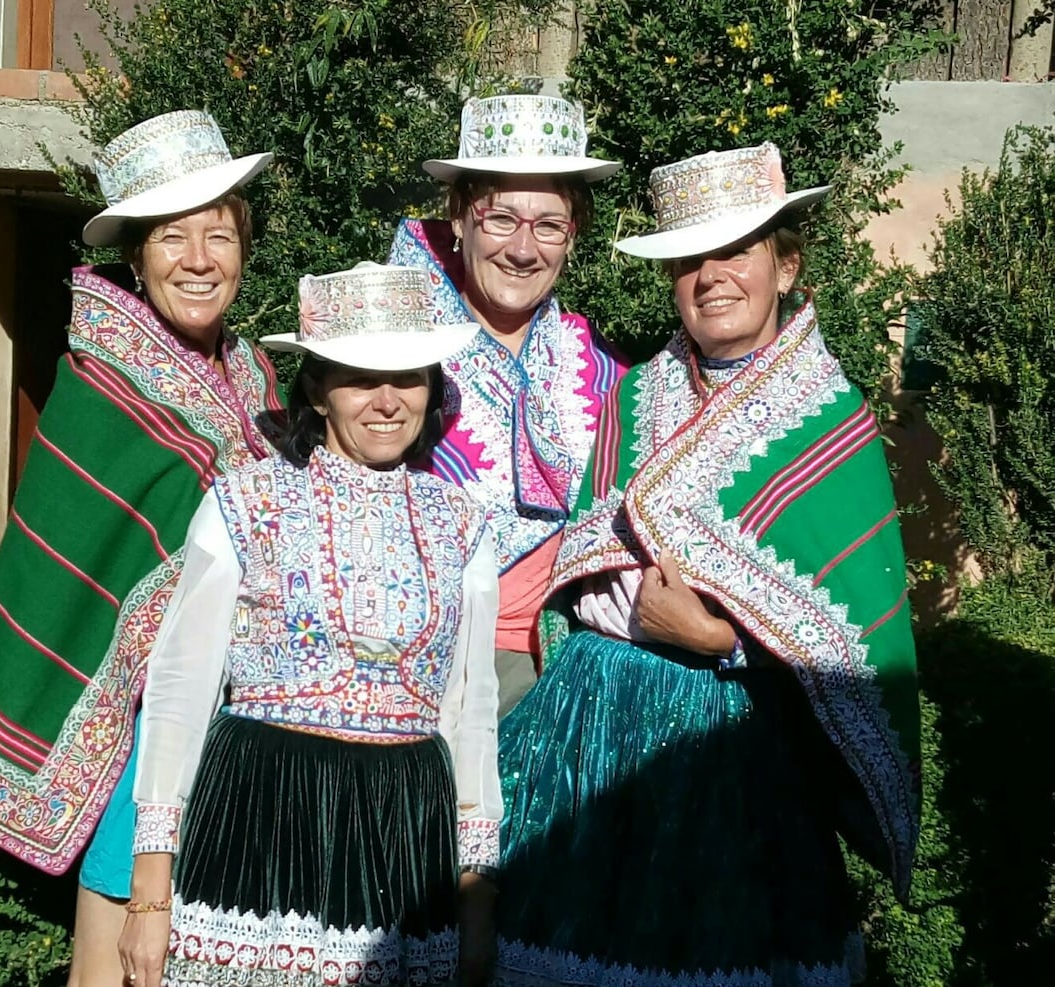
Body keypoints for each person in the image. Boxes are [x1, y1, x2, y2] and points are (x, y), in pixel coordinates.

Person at [493, 143, 921, 986]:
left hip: (738, 764)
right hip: (587, 758)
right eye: (690, 259)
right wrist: (626, 610)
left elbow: (848, 644)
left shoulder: (832, 426)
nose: (711, 275)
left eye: (737, 251)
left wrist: (717, 639)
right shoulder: (634, 397)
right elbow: (581, 567)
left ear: (786, 265)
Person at [0, 110, 283, 987]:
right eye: (173, 237)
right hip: (142, 736)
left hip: (249, 724)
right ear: (135, 256)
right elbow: (72, 563)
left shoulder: (258, 376)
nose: (200, 258)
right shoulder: (100, 384)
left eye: (218, 234)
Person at [116, 262, 501, 987]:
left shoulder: (464, 527)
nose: (387, 401)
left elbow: (470, 711)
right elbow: (179, 689)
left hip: (401, 830)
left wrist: (477, 892)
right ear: (319, 389)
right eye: (360, 377)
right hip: (262, 813)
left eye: (408, 378)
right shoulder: (244, 503)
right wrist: (149, 892)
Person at [388, 94, 627, 716]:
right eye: (501, 219)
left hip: (584, 662)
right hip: (433, 667)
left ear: (572, 237)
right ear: (459, 217)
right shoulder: (391, 349)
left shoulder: (599, 371)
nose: (524, 250)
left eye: (548, 225)